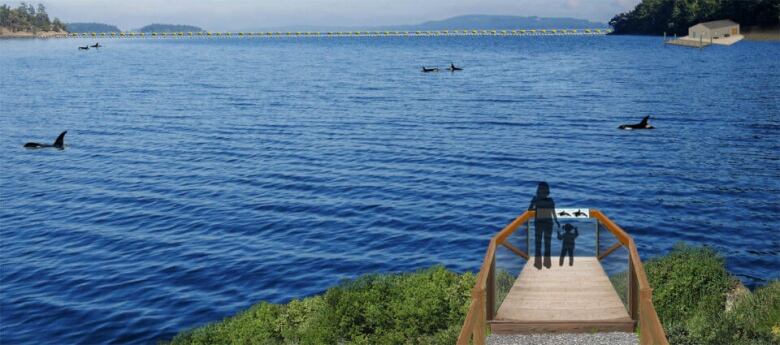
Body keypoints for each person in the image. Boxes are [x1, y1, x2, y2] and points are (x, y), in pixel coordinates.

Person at [528, 182, 560, 269]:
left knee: (538, 244)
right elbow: (553, 212)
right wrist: (557, 221)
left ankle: (538, 264)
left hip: (539, 224)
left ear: (538, 191)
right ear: (547, 192)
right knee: (547, 244)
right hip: (549, 224)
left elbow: (529, 210)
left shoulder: (536, 200)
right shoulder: (551, 200)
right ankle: (547, 263)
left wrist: (534, 203)